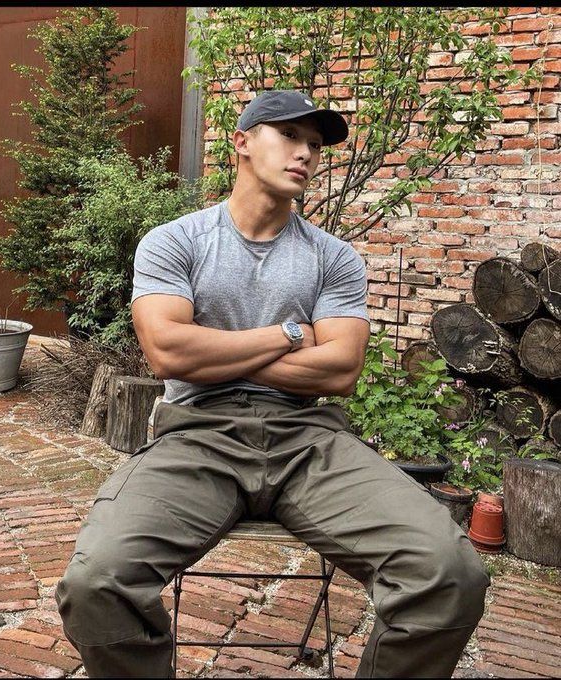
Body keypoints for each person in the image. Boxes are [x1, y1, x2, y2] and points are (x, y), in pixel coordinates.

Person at [56, 90, 490, 678]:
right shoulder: (176, 241)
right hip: (198, 436)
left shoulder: (333, 257)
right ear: (241, 142)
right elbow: (166, 353)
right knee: (96, 581)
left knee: (449, 571)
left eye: (314, 144)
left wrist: (211, 347)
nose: (305, 153)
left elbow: (340, 371)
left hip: (307, 438)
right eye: (289, 136)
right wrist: (289, 334)